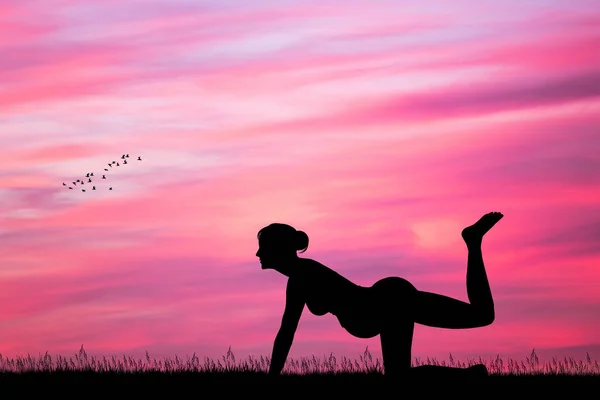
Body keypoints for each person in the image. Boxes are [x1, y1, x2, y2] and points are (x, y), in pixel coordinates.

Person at [256, 211, 503, 379]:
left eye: (262, 248)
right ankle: (473, 241)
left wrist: (271, 378)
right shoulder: (301, 274)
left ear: (278, 249)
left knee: (398, 379)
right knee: (480, 315)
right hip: (388, 298)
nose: (258, 254)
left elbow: (286, 332)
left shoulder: (301, 276)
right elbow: (287, 331)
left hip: (388, 302)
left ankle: (473, 241)